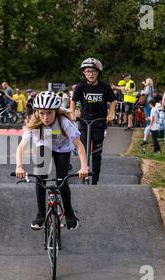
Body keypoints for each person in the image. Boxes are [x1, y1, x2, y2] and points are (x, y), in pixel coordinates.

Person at [15, 91, 89, 231]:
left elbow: (79, 146)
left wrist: (84, 167)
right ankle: (41, 215)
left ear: (56, 111)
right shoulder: (35, 122)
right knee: (40, 179)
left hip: (63, 149)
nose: (45, 117)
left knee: (62, 182)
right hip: (44, 146)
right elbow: (21, 147)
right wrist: (19, 166)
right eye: (42, 113)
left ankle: (69, 214)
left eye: (49, 113)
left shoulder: (64, 122)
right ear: (37, 112)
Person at [70, 57, 117, 185]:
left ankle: (95, 180)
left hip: (99, 122)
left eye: (93, 71)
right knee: (84, 151)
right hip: (84, 122)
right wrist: (72, 113)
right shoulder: (80, 87)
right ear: (84, 73)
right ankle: (83, 173)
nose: (91, 74)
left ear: (98, 73)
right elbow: (73, 101)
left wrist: (110, 114)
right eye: (88, 71)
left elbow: (113, 101)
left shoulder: (104, 87)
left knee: (96, 153)